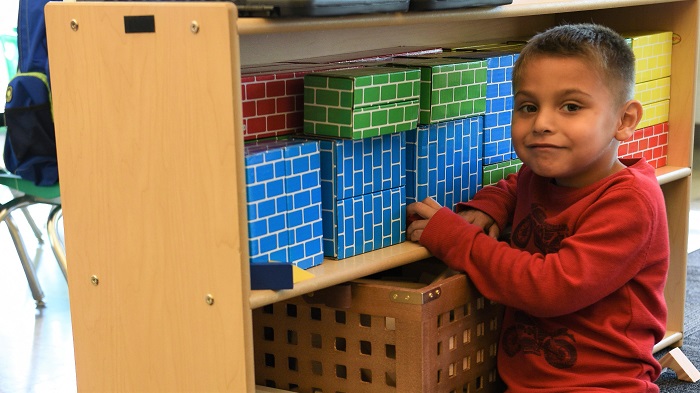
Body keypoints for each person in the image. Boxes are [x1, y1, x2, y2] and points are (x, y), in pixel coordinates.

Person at [407, 23, 669, 392]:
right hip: (525, 378)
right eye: (528, 107)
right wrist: (492, 206)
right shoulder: (543, 174)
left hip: (602, 385)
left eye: (571, 106)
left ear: (624, 121)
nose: (542, 124)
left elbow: (549, 288)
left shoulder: (631, 202)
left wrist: (459, 239)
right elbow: (517, 184)